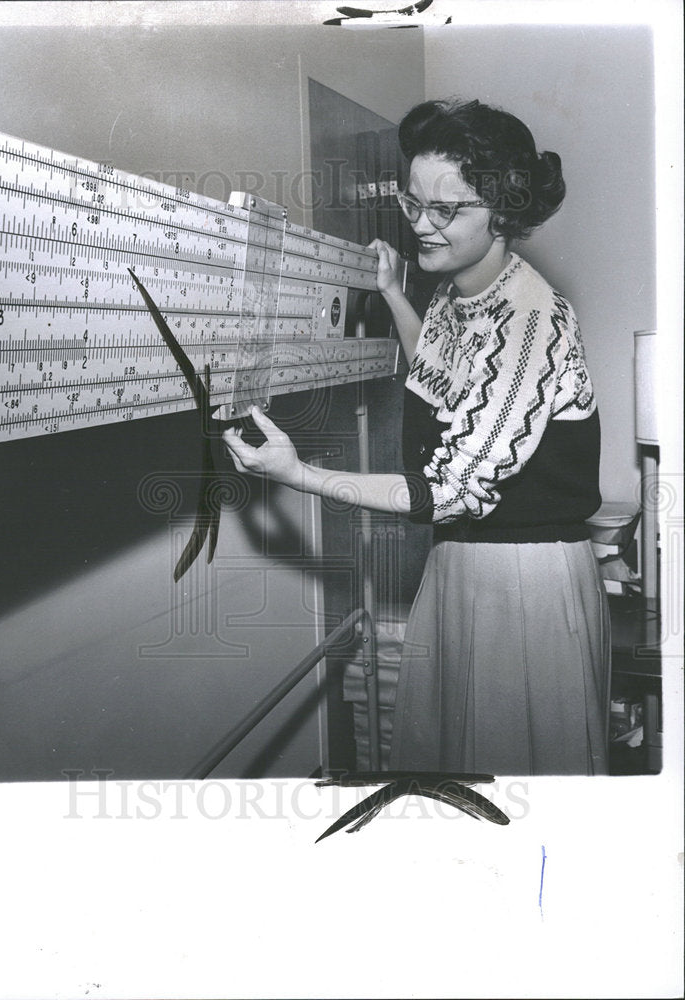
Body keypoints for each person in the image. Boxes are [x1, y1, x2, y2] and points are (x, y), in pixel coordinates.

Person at [223, 99, 610, 776]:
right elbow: (443, 372)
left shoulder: (533, 318)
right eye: (412, 203)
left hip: (525, 578)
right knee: (455, 763)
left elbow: (455, 488)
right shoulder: (460, 292)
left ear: (505, 212)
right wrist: (394, 293)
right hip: (463, 566)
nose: (421, 226)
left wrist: (299, 474)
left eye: (446, 211)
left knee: (514, 778)